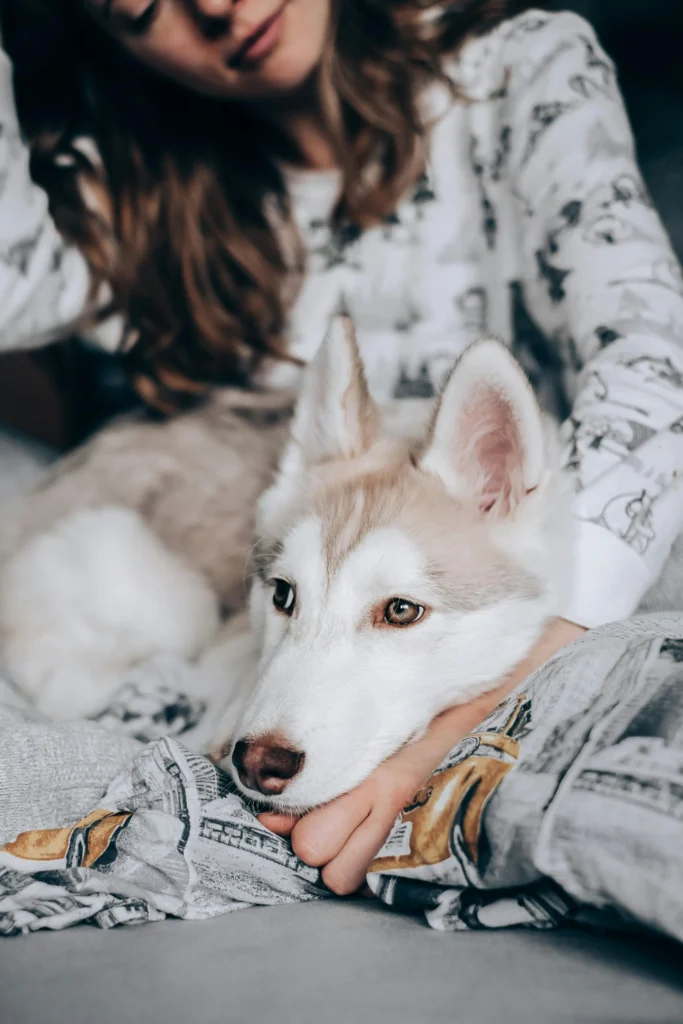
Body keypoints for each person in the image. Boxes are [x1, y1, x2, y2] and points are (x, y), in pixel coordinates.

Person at [1, 0, 682, 895]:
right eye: (141, 7)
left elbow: (653, 360)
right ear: (113, 43)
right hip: (208, 522)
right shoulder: (142, 188)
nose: (211, 5)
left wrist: (446, 735)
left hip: (530, 539)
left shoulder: (522, 71)